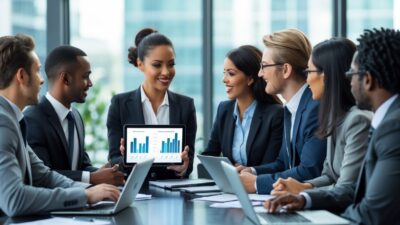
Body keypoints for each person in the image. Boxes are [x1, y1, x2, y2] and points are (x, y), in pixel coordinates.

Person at [264, 28, 400, 225]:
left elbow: (370, 210)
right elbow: (335, 178)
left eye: (352, 73)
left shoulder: (387, 126)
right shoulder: (342, 119)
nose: (349, 79)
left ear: (368, 80)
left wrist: (306, 195)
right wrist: (304, 196)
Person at [0, 34, 119, 217]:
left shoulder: (14, 120)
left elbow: (44, 175)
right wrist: (85, 195)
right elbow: (14, 200)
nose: (42, 80)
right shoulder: (3, 122)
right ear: (22, 76)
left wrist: (94, 191)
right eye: (37, 71)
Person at [271, 38, 372, 196]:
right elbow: (329, 175)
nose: (307, 79)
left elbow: (346, 187)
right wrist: (304, 186)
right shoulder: (335, 118)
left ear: (325, 76)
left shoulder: (358, 121)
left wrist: (305, 196)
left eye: (309, 72)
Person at [238, 28, 327, 194]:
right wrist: (253, 172)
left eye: (264, 66)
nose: (260, 73)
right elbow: (283, 163)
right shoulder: (291, 108)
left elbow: (309, 171)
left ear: (285, 70)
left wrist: (257, 184)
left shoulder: (315, 108)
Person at [24, 46, 124, 186]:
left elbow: (83, 167)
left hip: (81, 202)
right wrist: (92, 178)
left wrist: (111, 170)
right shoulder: (32, 118)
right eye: (85, 76)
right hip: (53, 206)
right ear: (65, 78)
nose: (90, 83)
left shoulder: (75, 116)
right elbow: (43, 176)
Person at [107, 28, 197, 179]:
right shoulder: (119, 104)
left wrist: (183, 167)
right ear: (140, 64)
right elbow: (114, 161)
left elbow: (188, 162)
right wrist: (126, 159)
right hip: (136, 192)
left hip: (173, 195)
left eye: (171, 64)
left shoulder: (186, 106)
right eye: (157, 65)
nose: (166, 72)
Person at [201, 45, 283, 167]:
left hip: (258, 184)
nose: (224, 79)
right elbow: (210, 156)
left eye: (231, 74)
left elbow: (272, 166)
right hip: (229, 184)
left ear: (250, 79)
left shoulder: (275, 114)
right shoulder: (224, 109)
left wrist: (245, 172)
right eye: (224, 73)